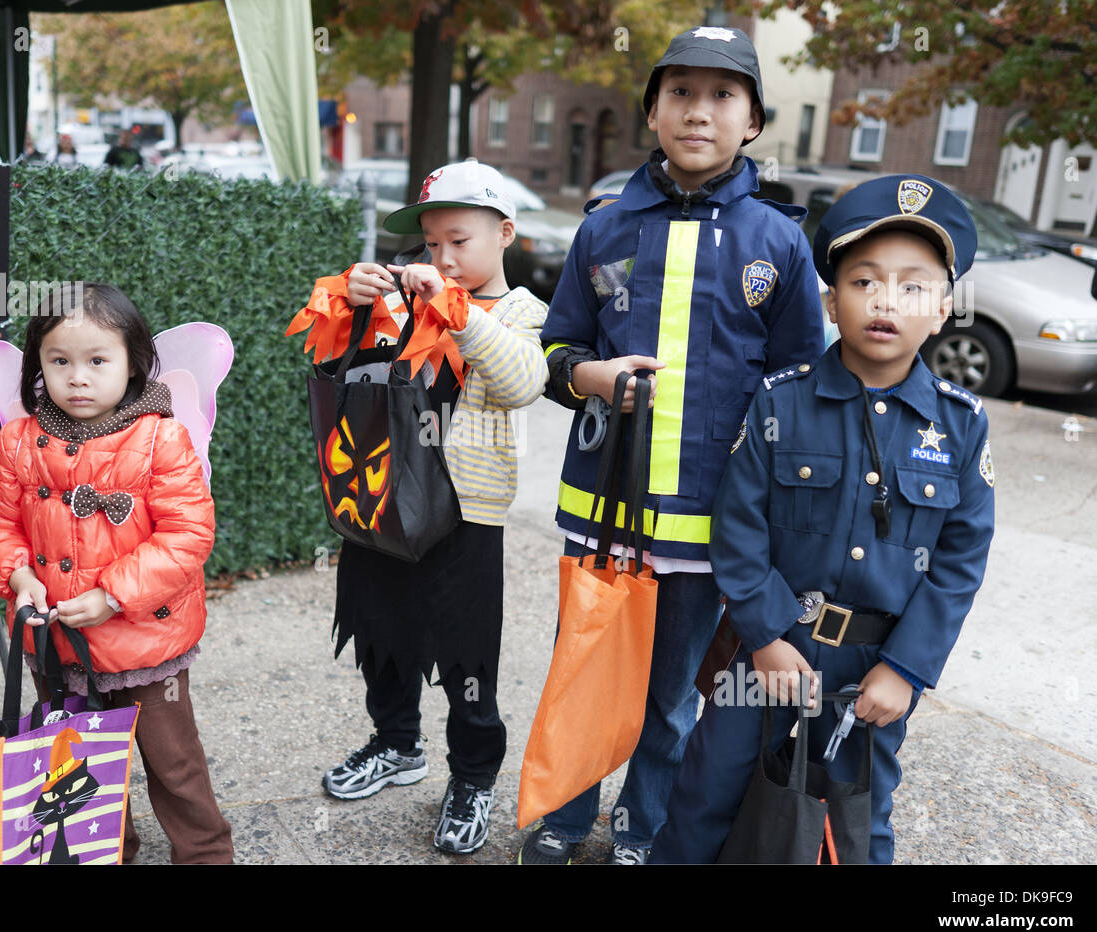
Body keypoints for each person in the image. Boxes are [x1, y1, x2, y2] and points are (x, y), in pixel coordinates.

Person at [518, 25, 825, 864]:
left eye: (724, 95)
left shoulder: (780, 243)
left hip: (709, 523)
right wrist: (592, 376)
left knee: (669, 695)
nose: (700, 111)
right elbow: (554, 350)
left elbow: (805, 378)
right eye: (681, 93)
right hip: (603, 513)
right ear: (652, 110)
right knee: (585, 670)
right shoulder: (604, 230)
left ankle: (641, 827)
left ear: (754, 120)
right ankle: (564, 816)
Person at [652, 175, 996, 865]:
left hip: (871, 671)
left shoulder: (960, 425)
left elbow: (960, 562)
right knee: (704, 800)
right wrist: (767, 635)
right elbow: (738, 526)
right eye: (864, 281)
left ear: (944, 308)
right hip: (767, 650)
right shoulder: (782, 402)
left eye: (912, 286)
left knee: (857, 823)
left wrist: (907, 669)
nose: (886, 300)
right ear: (831, 301)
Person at [309, 158, 548, 854]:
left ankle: (473, 775)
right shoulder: (397, 304)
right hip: (379, 500)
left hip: (467, 513)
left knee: (467, 653)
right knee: (381, 630)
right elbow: (344, 369)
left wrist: (459, 311)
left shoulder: (520, 310)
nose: (441, 257)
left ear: (504, 232)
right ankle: (396, 741)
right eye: (431, 243)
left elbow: (522, 381)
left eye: (458, 240)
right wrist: (349, 304)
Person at [0, 284, 233, 864]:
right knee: (79, 763)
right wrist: (18, 578)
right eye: (59, 361)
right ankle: (108, 850)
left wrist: (114, 596)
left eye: (97, 361)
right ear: (37, 364)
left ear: (132, 363)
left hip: (147, 645)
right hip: (57, 642)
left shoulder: (160, 437)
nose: (77, 378)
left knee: (175, 764)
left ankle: (206, 853)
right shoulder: (20, 441)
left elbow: (188, 535)